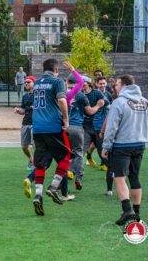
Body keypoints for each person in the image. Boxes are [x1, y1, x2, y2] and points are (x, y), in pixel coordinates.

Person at [102, 74, 148, 225]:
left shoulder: (119, 102)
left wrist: (106, 146)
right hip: (140, 144)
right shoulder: (144, 102)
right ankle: (137, 212)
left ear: (123, 85)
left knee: (119, 177)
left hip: (122, 145)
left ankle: (127, 210)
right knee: (134, 178)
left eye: (117, 84)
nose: (115, 87)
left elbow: (112, 126)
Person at [31, 58, 72, 216]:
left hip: (38, 127)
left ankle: (38, 195)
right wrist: (66, 119)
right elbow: (62, 100)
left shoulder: (37, 83)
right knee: (67, 155)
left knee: (40, 163)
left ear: (42, 70)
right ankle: (54, 187)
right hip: (53, 126)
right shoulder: (57, 81)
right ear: (56, 70)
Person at [65, 68, 105, 190]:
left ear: (67, 82)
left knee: (65, 153)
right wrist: (98, 105)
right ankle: (78, 177)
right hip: (77, 127)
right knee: (78, 153)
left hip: (63, 127)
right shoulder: (81, 95)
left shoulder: (62, 94)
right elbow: (90, 111)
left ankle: (62, 176)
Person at [82, 76, 110, 171]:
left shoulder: (103, 94)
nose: (102, 85)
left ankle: (108, 168)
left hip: (99, 125)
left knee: (101, 148)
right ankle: (72, 170)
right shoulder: (81, 93)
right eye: (100, 83)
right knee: (82, 148)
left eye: (103, 83)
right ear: (96, 84)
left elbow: (109, 106)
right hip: (86, 125)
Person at [14, 75, 36, 171]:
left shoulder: (39, 95)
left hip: (36, 123)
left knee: (35, 145)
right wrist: (19, 110)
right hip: (25, 123)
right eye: (25, 82)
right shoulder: (25, 96)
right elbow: (23, 110)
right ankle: (31, 159)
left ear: (34, 83)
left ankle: (39, 165)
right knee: (24, 146)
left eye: (28, 82)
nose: (26, 83)